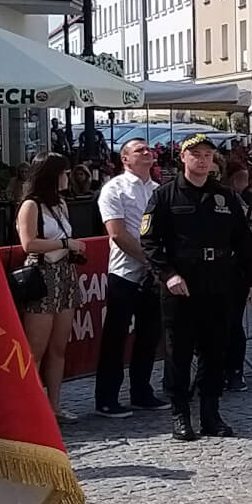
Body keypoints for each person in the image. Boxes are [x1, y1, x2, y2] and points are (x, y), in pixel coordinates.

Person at [141, 133, 252, 441]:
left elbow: (243, 241)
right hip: (181, 285)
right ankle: (180, 413)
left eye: (207, 155)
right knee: (179, 352)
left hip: (218, 282)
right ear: (183, 157)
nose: (202, 160)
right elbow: (150, 241)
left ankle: (210, 413)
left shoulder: (224, 196)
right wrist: (168, 275)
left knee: (215, 350)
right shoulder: (165, 196)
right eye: (196, 155)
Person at [95, 137, 168, 417]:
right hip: (125, 271)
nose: (147, 152)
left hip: (153, 274)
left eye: (148, 149)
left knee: (149, 334)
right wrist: (149, 260)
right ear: (125, 159)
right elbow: (117, 232)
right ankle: (107, 397)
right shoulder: (114, 189)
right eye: (140, 150)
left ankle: (141, 390)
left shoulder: (158, 190)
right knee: (116, 335)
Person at [15, 152, 85, 421]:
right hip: (42, 275)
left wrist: (71, 248)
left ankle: (54, 406)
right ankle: (31, 409)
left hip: (65, 273)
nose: (67, 177)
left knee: (58, 347)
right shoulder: (30, 205)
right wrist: (65, 244)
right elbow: (28, 243)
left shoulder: (60, 204)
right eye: (63, 173)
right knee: (35, 349)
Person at [223, 163, 252, 390]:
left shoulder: (237, 200)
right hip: (209, 273)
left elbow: (246, 242)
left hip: (236, 272)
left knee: (234, 323)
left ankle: (235, 370)